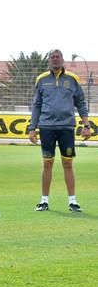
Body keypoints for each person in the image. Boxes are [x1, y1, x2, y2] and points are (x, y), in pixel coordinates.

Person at [28, 49, 91, 212]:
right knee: (47, 164)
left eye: (58, 57)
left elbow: (81, 103)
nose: (55, 59)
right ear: (49, 60)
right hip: (47, 127)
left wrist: (86, 125)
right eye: (52, 57)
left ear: (62, 60)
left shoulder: (72, 79)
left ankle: (72, 201)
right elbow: (36, 105)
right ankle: (44, 201)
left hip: (67, 127)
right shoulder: (41, 80)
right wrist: (32, 128)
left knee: (68, 164)